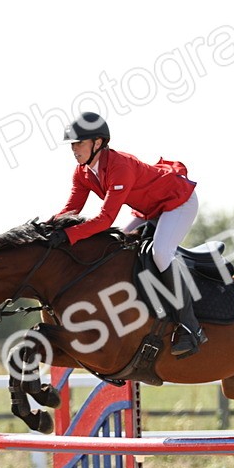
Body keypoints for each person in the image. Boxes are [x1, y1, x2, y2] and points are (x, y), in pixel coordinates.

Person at [49, 111, 207, 357]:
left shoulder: (119, 166)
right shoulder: (82, 172)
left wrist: (69, 236)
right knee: (115, 248)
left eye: (79, 142)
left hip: (178, 202)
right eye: (73, 144)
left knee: (161, 253)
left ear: (98, 143)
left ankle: (191, 327)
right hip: (148, 210)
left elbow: (105, 219)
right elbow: (71, 210)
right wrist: (47, 229)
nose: (74, 149)